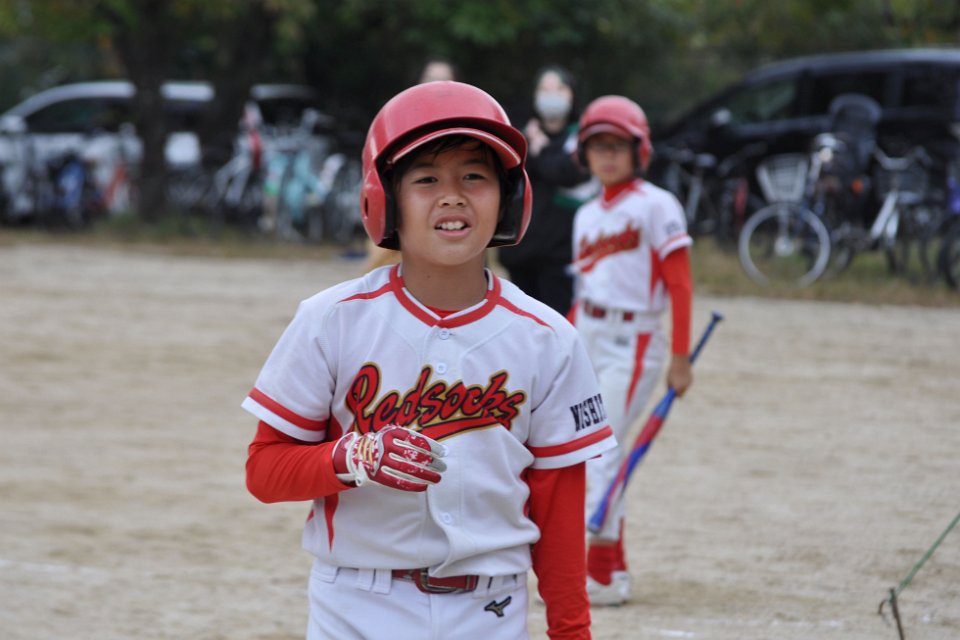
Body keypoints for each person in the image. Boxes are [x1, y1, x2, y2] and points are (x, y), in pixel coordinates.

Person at [243, 80, 617, 639]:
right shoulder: (332, 320)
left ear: (509, 197)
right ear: (385, 198)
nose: (453, 196)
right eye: (426, 179)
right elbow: (264, 471)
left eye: (475, 176)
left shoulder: (548, 338)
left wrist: (572, 632)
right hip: (355, 603)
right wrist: (353, 456)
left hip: (490, 610)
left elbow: (558, 507)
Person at [569, 96, 694, 606]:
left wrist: (680, 357)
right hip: (589, 330)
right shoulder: (584, 213)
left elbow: (679, 284)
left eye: (616, 145)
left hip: (634, 336)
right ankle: (612, 570)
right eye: (597, 145)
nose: (607, 155)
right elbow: (584, 289)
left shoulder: (656, 204)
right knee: (588, 449)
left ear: (639, 150)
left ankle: (598, 575)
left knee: (602, 450)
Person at [498, 65, 595, 315]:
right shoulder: (518, 139)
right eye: (544, 89)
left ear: (572, 95)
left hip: (562, 255)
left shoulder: (583, 137)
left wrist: (541, 149)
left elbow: (566, 173)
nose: (551, 95)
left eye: (559, 89)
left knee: (557, 322)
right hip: (522, 254)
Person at [360, 57, 459, 274]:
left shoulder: (468, 130)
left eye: (444, 81)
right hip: (402, 223)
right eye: (431, 79)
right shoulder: (398, 121)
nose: (436, 87)